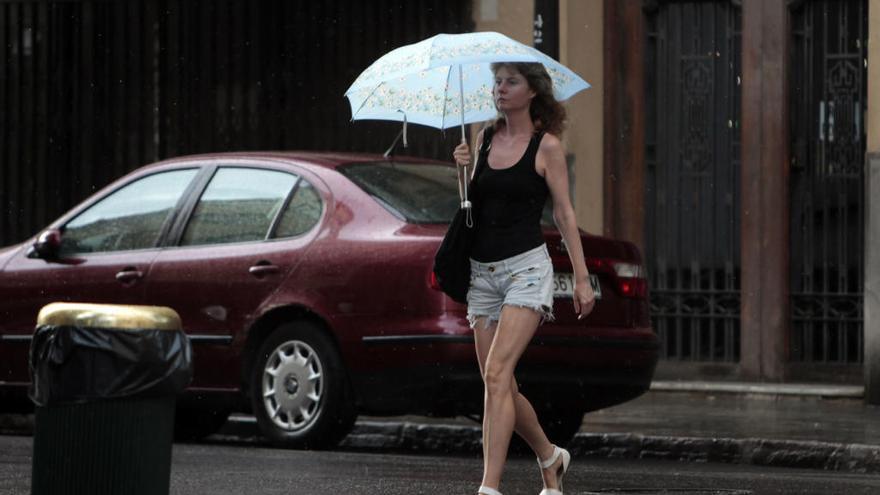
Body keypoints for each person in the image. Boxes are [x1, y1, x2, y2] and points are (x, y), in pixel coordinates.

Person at [452, 62, 596, 495]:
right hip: (482, 275)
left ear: (533, 91)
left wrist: (583, 276)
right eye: (497, 81)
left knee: (496, 373)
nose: (500, 88)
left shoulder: (546, 147)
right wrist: (462, 169)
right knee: (501, 384)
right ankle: (551, 458)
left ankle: (489, 488)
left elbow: (564, 213)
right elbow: (471, 206)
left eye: (511, 81)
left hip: (526, 272)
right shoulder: (483, 138)